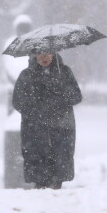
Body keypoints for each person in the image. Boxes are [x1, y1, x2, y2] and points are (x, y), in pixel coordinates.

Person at [12, 52, 82, 189]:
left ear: (54, 54)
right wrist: (36, 108)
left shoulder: (65, 72)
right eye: (40, 54)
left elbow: (76, 96)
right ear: (34, 56)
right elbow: (18, 101)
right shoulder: (26, 75)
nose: (44, 57)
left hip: (61, 128)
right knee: (38, 172)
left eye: (48, 53)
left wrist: (58, 95)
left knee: (59, 170)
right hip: (35, 130)